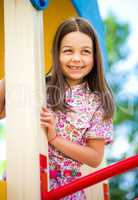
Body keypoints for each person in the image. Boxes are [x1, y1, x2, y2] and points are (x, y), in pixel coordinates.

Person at [0, 17, 114, 199]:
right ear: (57, 53)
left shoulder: (97, 102)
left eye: (85, 52)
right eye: (68, 51)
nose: (76, 58)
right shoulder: (39, 86)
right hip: (22, 179)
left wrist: (55, 138)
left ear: (94, 56)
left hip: (65, 191)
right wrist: (13, 75)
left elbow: (94, 158)